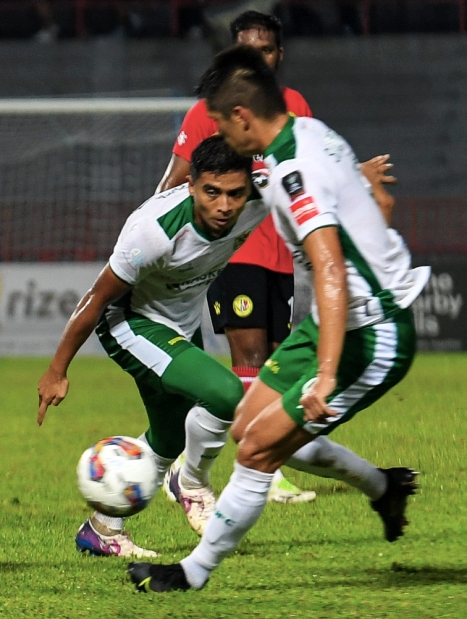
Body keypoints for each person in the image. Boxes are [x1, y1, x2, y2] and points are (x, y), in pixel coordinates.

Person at [128, 46, 428, 593]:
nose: (214, 133)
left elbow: (330, 267)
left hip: (372, 330)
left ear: (240, 116)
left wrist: (328, 374)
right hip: (332, 325)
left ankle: (192, 572)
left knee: (259, 447)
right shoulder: (310, 133)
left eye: (217, 121)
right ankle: (383, 487)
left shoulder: (295, 169)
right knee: (249, 425)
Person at [157, 10, 395, 507]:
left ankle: (243, 460)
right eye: (248, 50)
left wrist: (353, 172)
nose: (258, 58)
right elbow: (175, 182)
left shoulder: (295, 106)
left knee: (278, 363)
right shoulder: (210, 111)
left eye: (265, 50)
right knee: (249, 358)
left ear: (278, 56)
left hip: (288, 251)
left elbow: (309, 167)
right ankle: (261, 468)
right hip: (235, 250)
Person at [37, 136, 269, 557]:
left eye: (235, 194)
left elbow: (316, 187)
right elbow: (96, 297)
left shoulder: (263, 197)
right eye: (211, 192)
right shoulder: (154, 230)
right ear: (192, 184)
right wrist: (57, 369)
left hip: (180, 322)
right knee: (226, 392)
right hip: (130, 323)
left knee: (169, 435)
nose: (224, 206)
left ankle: (102, 530)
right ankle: (192, 483)